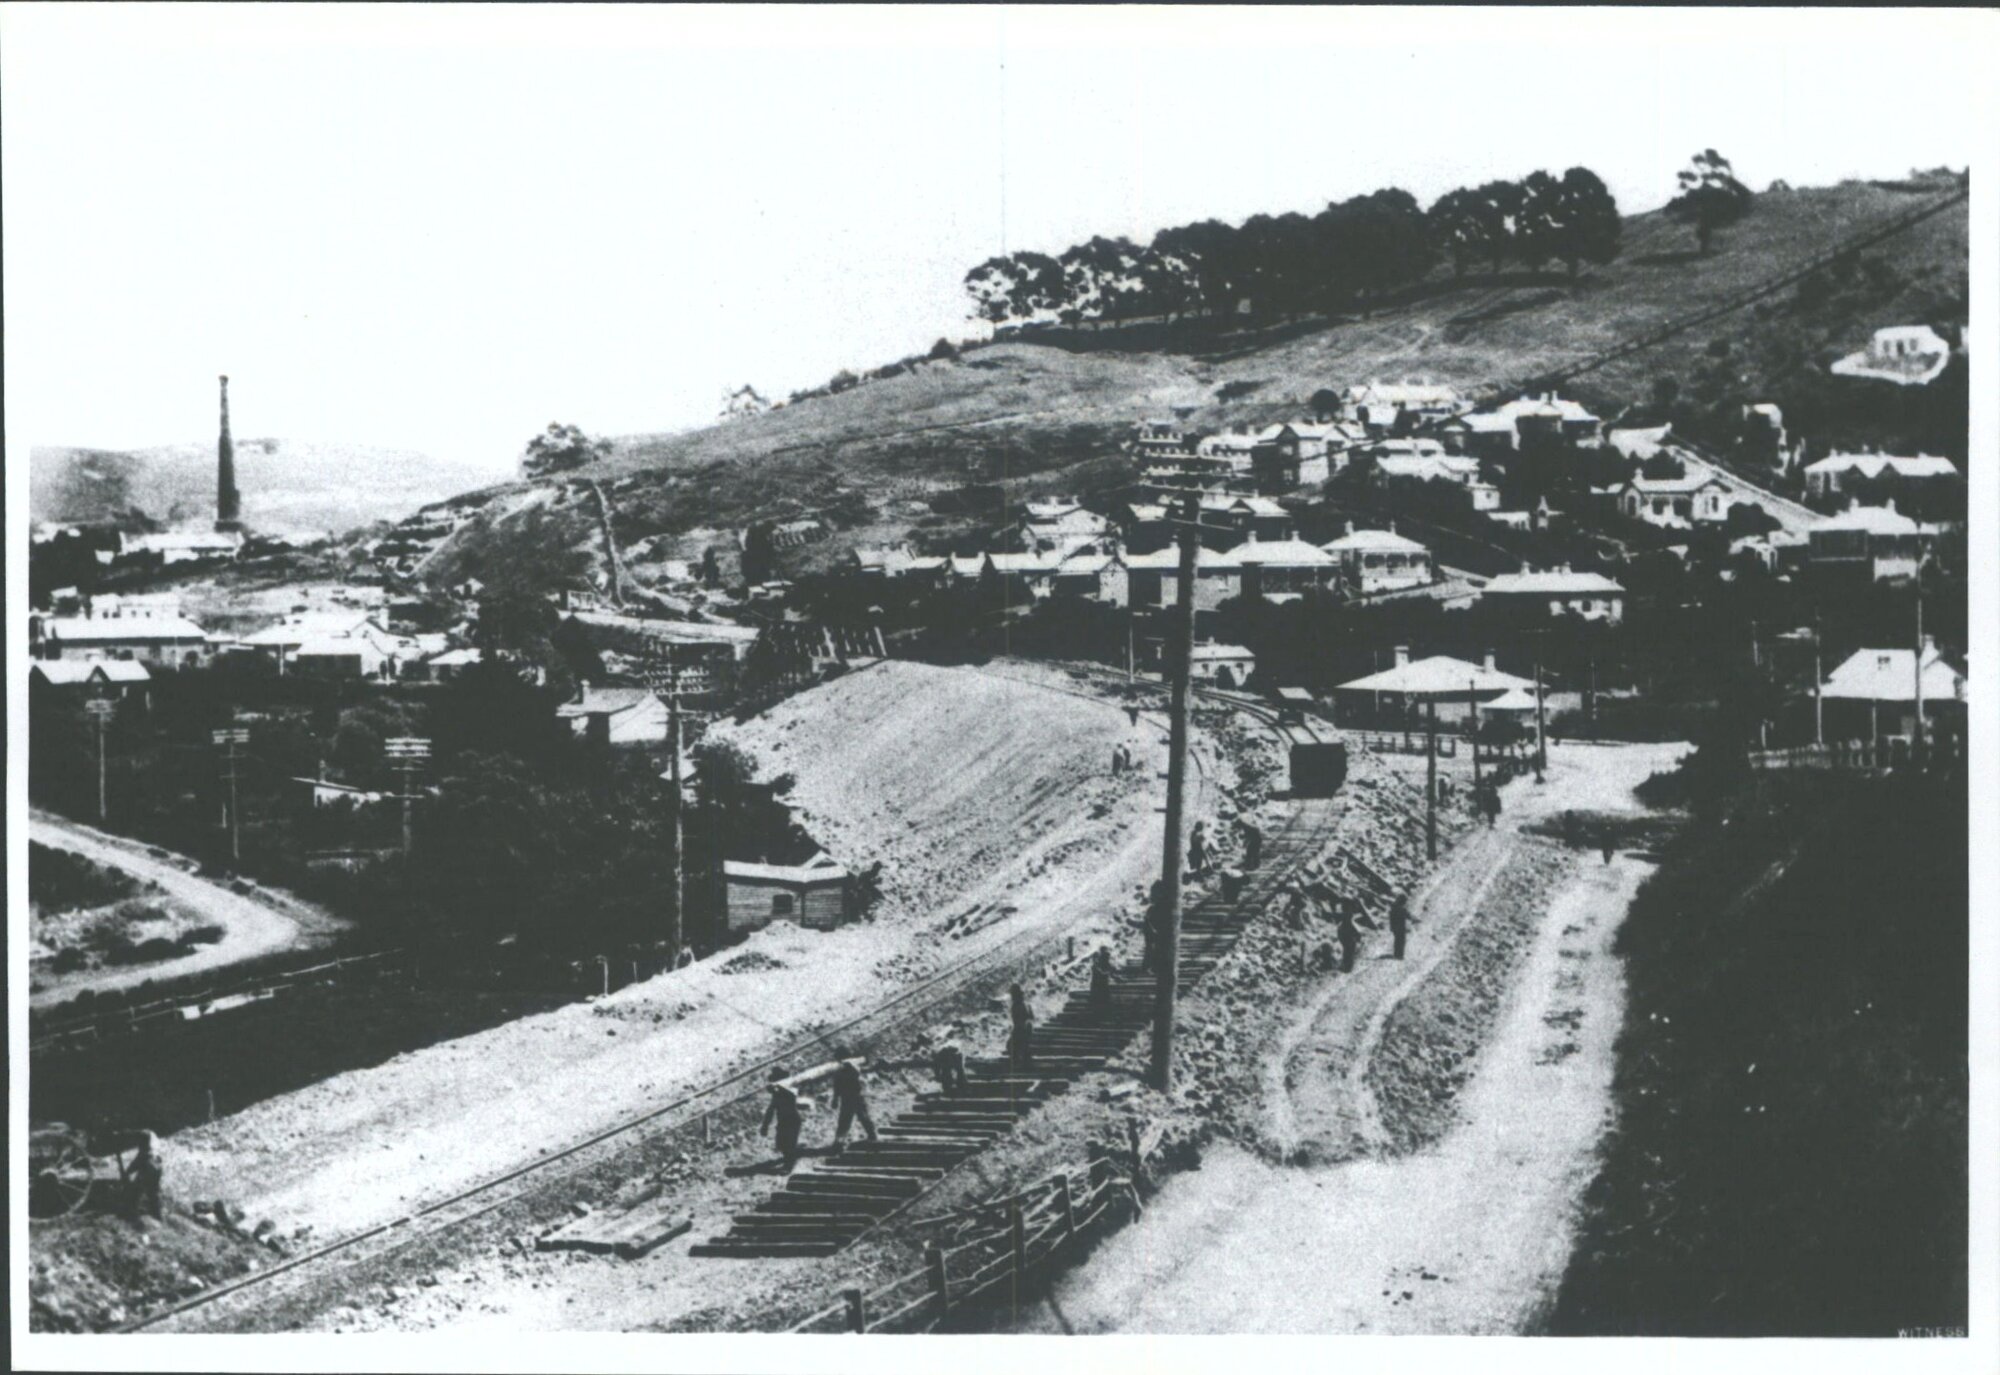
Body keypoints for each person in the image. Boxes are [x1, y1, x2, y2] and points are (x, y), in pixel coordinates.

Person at [829, 1059, 878, 1154]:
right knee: (855, 1118)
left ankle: (839, 1142)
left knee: (849, 1120)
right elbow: (838, 1086)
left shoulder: (843, 1071)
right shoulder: (847, 1070)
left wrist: (835, 1099)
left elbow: (838, 1087)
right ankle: (839, 1142)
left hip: (851, 1098)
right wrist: (835, 1098)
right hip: (852, 1098)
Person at [761, 1068, 803, 1171]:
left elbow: (793, 1094)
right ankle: (788, 1163)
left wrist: (778, 1089)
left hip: (792, 1120)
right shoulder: (776, 1095)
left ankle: (788, 1166)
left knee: (789, 1144)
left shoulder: (790, 1090)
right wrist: (765, 1126)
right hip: (783, 1121)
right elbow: (770, 1111)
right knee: (781, 1144)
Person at [127, 1130, 163, 1221]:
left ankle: (132, 1213)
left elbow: (136, 1163)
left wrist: (127, 1172)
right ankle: (157, 1213)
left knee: (135, 1190)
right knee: (153, 1192)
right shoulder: (153, 1149)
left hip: (148, 1168)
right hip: (157, 1168)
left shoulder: (144, 1150)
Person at [1007, 983, 1034, 1074]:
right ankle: (1023, 1064)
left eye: (1012, 994)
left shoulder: (1019, 1004)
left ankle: (1022, 1065)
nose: (1011, 996)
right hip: (1021, 1028)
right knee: (1020, 1047)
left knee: (1014, 1046)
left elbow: (1026, 1017)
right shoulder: (1020, 1004)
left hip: (1021, 1029)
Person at [1336, 907, 1362, 973]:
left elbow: (1355, 932)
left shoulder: (1344, 924)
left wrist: (1357, 937)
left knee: (1348, 953)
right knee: (1349, 953)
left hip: (1348, 941)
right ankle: (1348, 967)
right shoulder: (1347, 924)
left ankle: (1348, 967)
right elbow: (1355, 932)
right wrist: (1358, 938)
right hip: (1349, 941)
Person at [1089, 946, 1112, 1013]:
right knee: (1101, 993)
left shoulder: (1103, 960)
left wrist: (1101, 971)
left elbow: (1106, 970)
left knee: (1101, 993)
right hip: (1099, 981)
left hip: (1100, 981)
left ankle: (1101, 1007)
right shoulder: (1099, 961)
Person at [1389, 896, 1413, 960]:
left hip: (1395, 927)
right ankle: (1400, 955)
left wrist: (1391, 927)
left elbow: (1391, 918)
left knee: (1397, 940)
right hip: (1401, 927)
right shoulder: (1401, 909)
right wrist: (1413, 919)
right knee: (1401, 941)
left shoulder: (1393, 908)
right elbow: (1408, 915)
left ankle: (1397, 954)